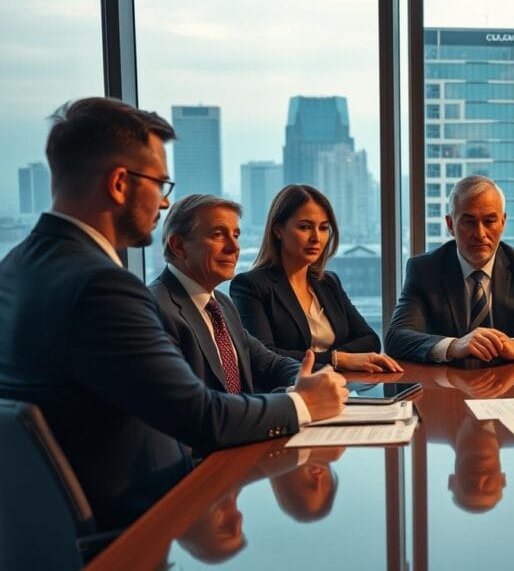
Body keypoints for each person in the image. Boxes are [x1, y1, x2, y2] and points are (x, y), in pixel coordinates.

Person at [0, 97, 347, 529]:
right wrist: (303, 404)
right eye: (160, 185)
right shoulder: (103, 286)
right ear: (120, 183)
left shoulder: (14, 267)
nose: (164, 204)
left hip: (49, 526)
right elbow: (202, 418)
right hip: (144, 520)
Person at [385, 175, 514, 363]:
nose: (480, 234)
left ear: (503, 222)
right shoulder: (424, 270)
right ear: (450, 225)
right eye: (469, 222)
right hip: (447, 387)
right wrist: (454, 346)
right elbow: (396, 338)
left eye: (489, 221)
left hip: (511, 385)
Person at [231, 184, 400, 373]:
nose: (316, 237)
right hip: (286, 393)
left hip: (341, 386)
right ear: (278, 230)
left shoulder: (328, 282)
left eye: (323, 228)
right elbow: (265, 356)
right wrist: (337, 359)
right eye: (305, 227)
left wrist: (337, 360)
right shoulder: (251, 286)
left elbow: (369, 340)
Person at [150, 194, 302, 394]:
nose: (234, 247)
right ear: (178, 246)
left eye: (236, 235)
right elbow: (194, 403)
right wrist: (294, 400)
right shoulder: (154, 308)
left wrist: (310, 378)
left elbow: (271, 364)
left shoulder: (221, 304)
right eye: (218, 235)